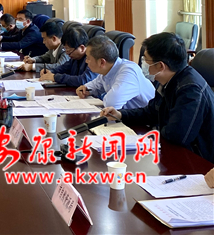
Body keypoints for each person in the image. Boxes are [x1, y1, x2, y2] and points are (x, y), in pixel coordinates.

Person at [101, 32, 214, 163]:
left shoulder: (190, 90)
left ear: (160, 65)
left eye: (146, 60)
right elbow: (151, 112)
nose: (143, 64)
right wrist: (120, 114)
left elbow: (176, 136)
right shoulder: (168, 80)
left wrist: (147, 138)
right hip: (171, 153)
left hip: (197, 161)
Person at [76, 35, 154, 109]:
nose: (86, 61)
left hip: (144, 118)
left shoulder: (128, 72)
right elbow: (96, 86)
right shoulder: (108, 70)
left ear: (102, 62)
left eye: (88, 58)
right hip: (126, 116)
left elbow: (111, 104)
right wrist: (85, 89)